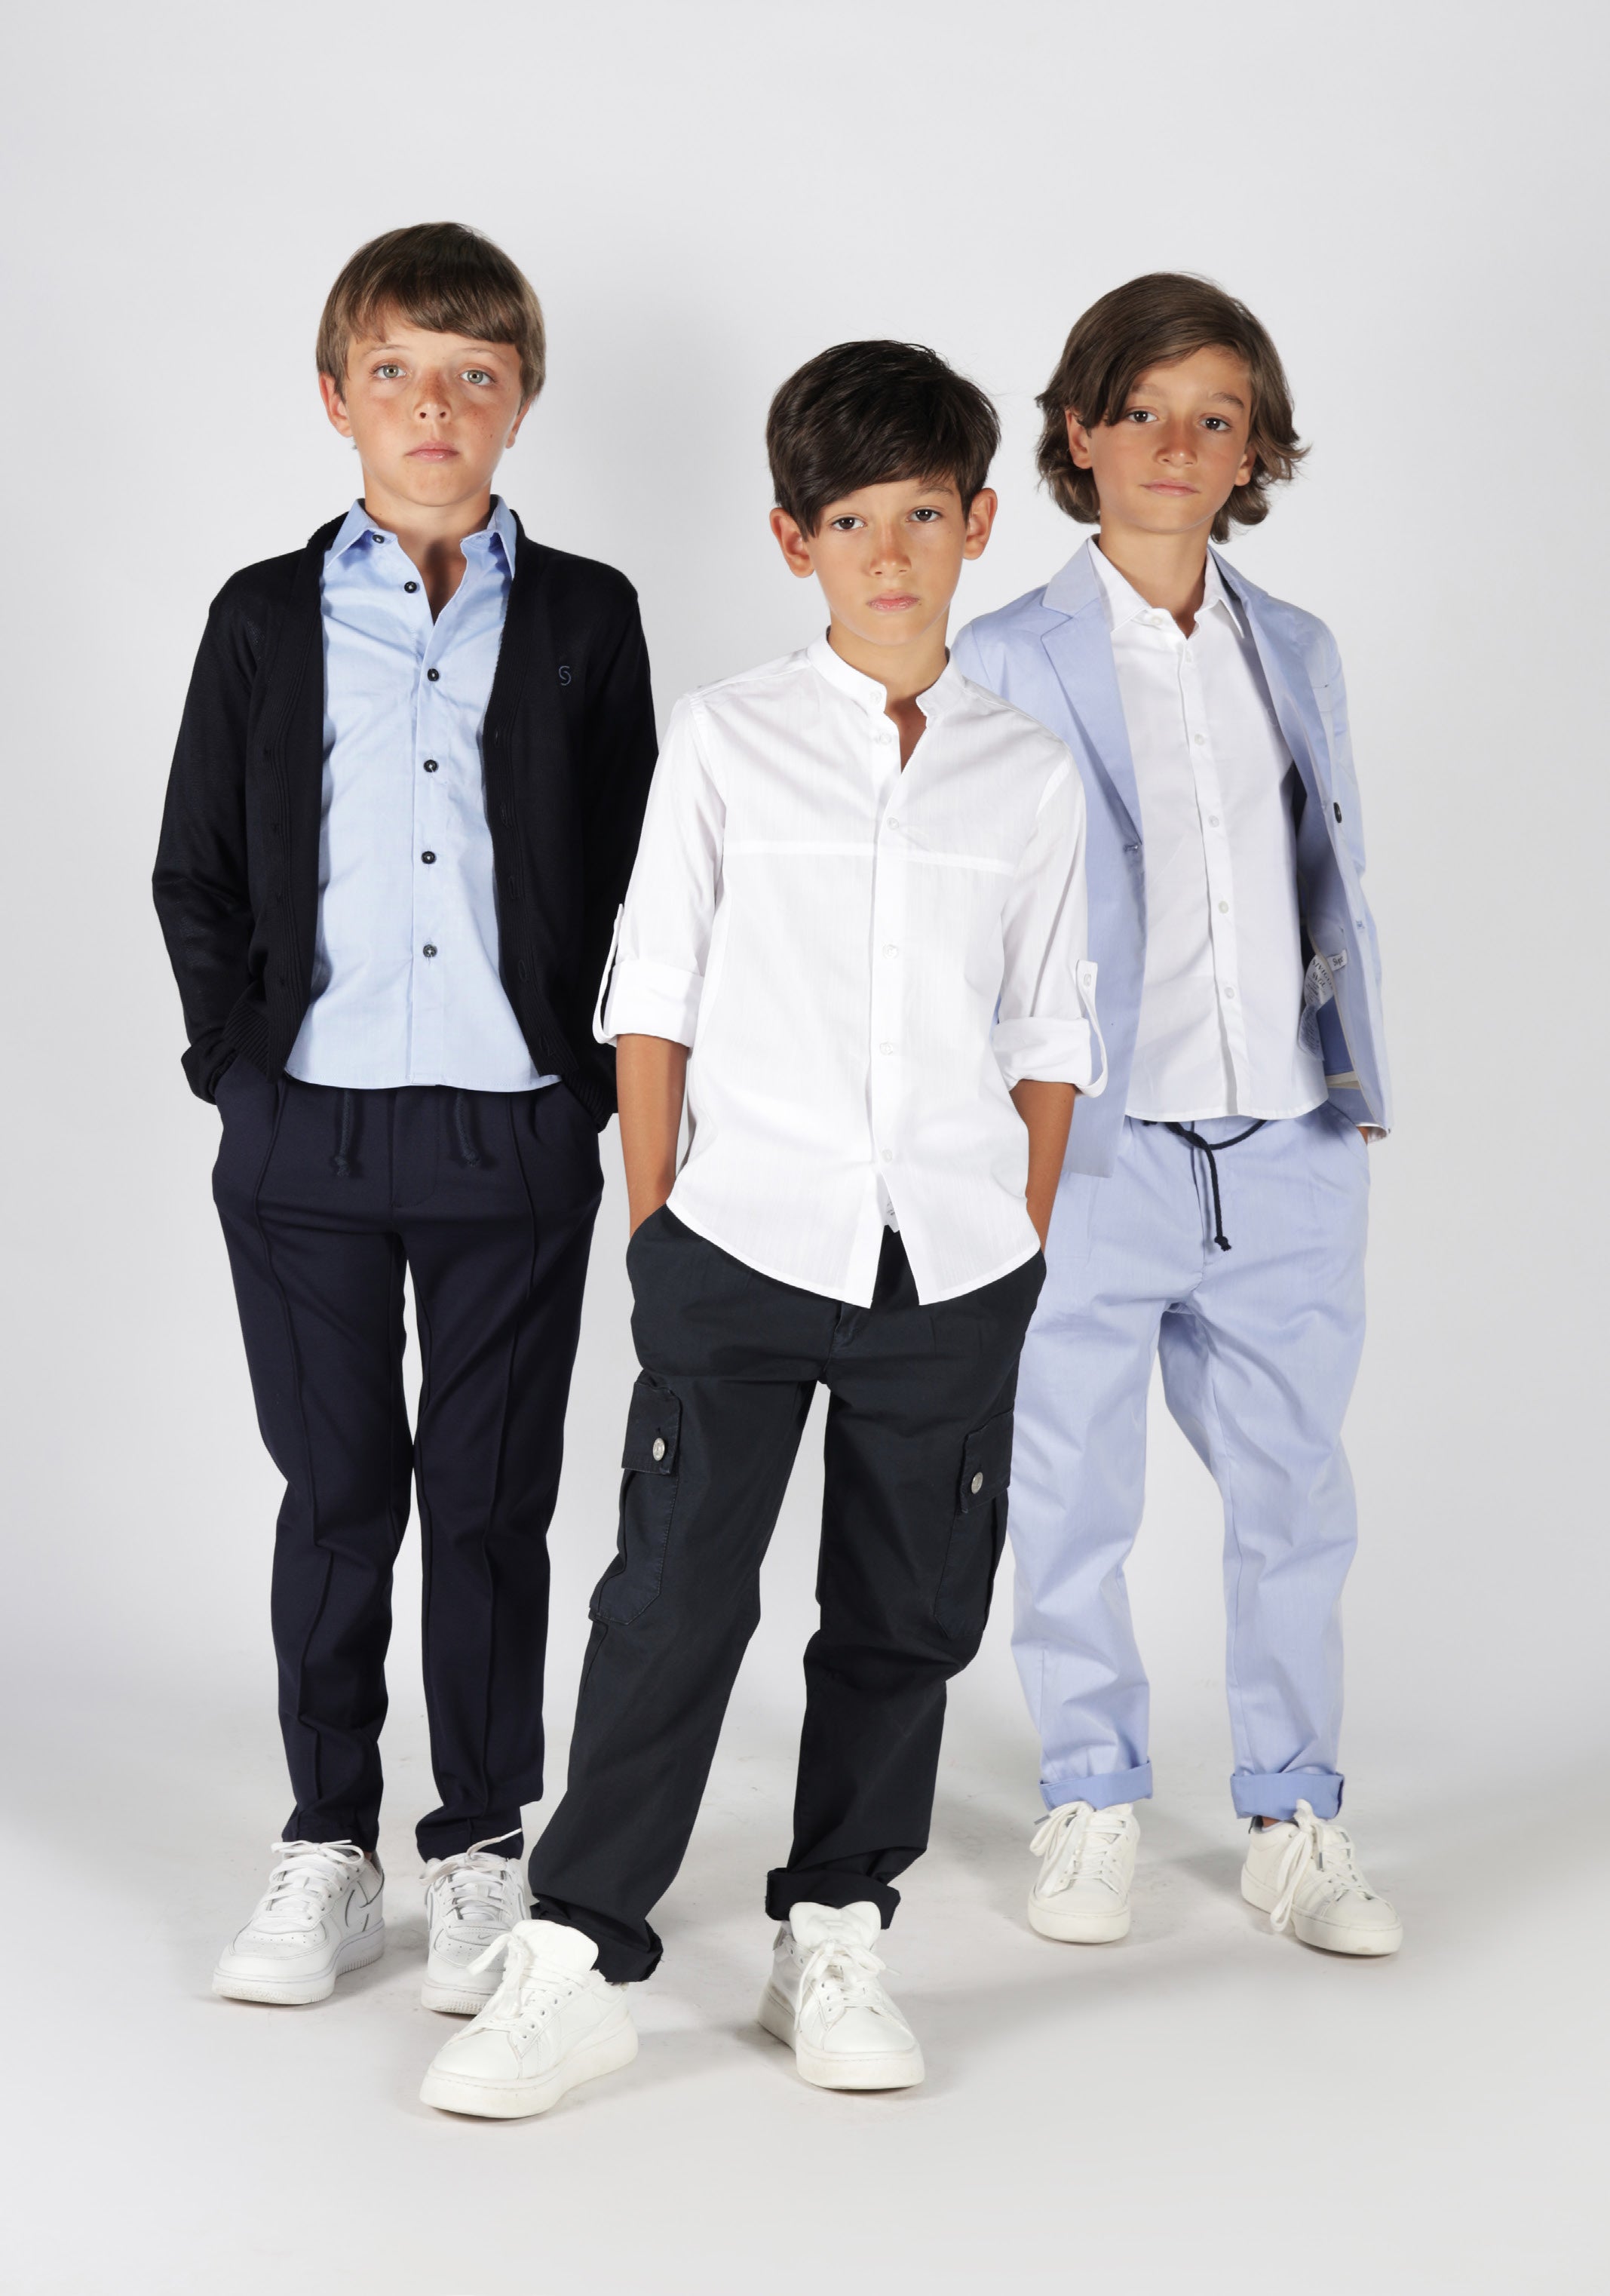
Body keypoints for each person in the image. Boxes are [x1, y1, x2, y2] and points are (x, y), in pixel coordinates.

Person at [419, 339, 1106, 2120]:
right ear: (796, 540)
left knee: (904, 1615)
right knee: (670, 1600)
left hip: (949, 1268)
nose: (891, 554)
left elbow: (1049, 1030)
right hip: (737, 1245)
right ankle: (579, 1951)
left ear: (979, 525)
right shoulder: (730, 738)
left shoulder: (1028, 778)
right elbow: (652, 999)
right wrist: (658, 1228)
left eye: (924, 517)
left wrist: (1016, 1235)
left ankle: (838, 1925)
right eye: (852, 521)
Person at [152, 222, 658, 2014]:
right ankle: (329, 1841)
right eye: (396, 374)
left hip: (510, 1127)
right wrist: (240, 1066)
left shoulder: (584, 615)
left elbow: (636, 871)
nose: (433, 407)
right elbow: (199, 868)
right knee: (341, 1490)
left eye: (472, 376)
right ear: (337, 397)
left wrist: (585, 1082)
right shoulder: (264, 616)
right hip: (305, 1132)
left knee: (491, 1502)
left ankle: (482, 1840)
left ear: (519, 401)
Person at [953, 273, 1402, 1960]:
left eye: (1215, 417)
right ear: (1080, 434)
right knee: (1071, 1486)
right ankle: (1090, 1793)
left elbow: (1329, 868)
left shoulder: (1298, 648)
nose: (1175, 443)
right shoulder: (1005, 654)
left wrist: (1356, 1076)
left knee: (1296, 1495)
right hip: (1093, 1145)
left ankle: (1295, 1815)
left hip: (1286, 1137)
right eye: (1140, 410)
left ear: (1254, 450)